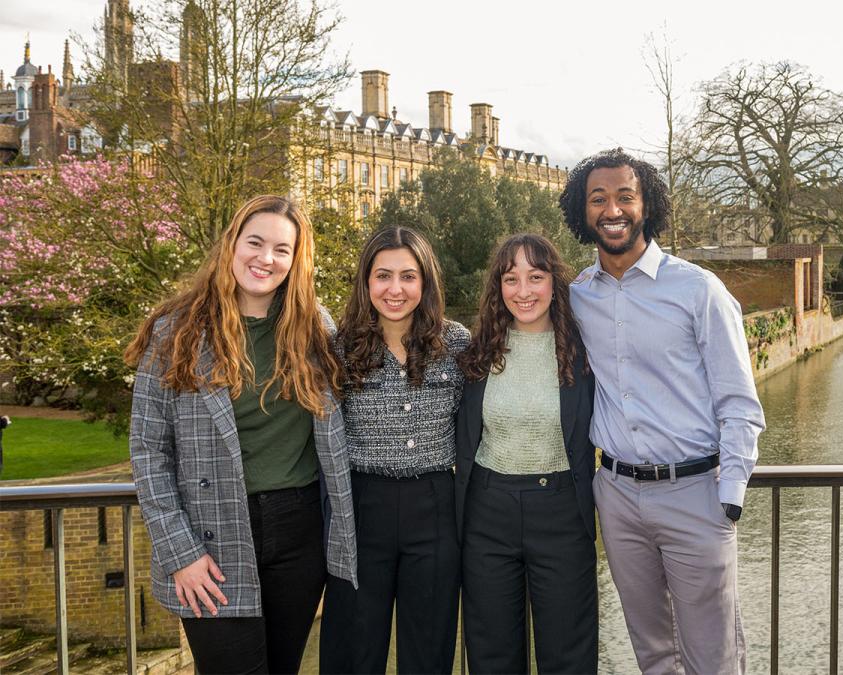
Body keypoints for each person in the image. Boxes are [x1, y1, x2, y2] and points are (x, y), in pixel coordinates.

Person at [125, 195, 357, 674]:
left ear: (296, 261)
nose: (265, 259)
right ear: (232, 245)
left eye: (281, 249)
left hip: (299, 532)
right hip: (211, 537)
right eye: (255, 242)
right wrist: (181, 552)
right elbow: (149, 451)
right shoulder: (177, 333)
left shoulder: (316, 328)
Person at [560, 148, 765, 675]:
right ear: (582, 212)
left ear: (646, 204)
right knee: (652, 653)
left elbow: (740, 402)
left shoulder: (699, 290)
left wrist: (730, 498)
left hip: (696, 494)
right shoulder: (577, 296)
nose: (613, 209)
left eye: (625, 196)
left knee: (712, 658)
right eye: (598, 198)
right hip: (619, 497)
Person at [319, 226, 468, 674]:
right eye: (383, 275)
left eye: (408, 276)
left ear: (425, 283)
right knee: (354, 650)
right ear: (366, 282)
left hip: (436, 508)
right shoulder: (338, 350)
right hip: (362, 511)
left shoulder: (457, 344)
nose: (396, 289)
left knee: (429, 649)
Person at [454, 233, 598, 674]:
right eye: (511, 278)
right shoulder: (476, 352)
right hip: (487, 514)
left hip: (561, 515)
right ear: (498, 286)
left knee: (567, 656)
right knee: (492, 656)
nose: (523, 291)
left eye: (535, 277)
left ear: (554, 282)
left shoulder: (584, 352)